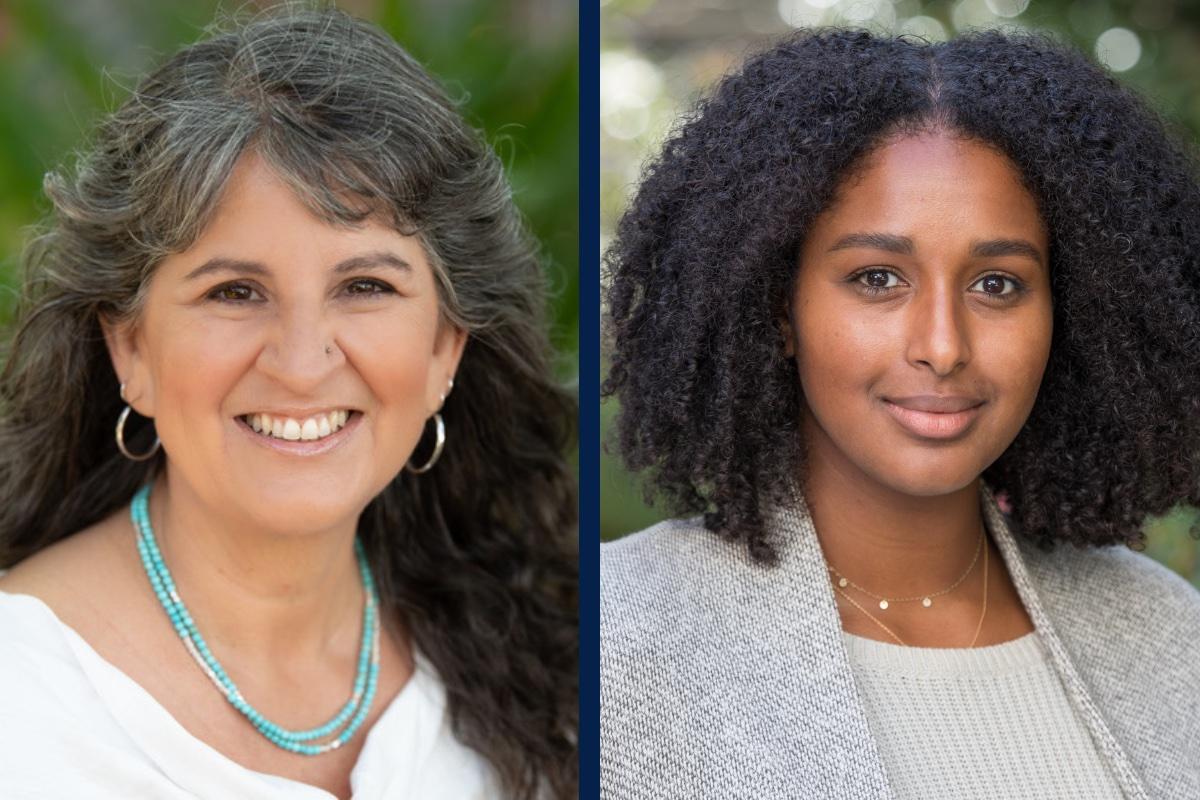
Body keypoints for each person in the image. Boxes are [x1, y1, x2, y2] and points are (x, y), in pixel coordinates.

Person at [600, 28, 1200, 800]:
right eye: (878, 277)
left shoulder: (1166, 630)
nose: (943, 346)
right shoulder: (617, 639)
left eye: (998, 285)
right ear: (779, 307)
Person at [0, 7, 576, 800]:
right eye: (234, 292)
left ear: (447, 348)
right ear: (130, 350)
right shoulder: (20, 703)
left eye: (365, 287)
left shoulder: (541, 656)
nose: (303, 364)